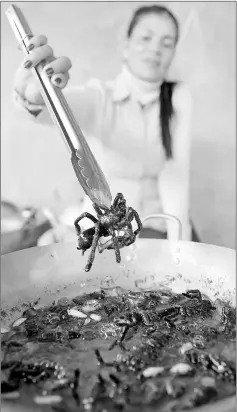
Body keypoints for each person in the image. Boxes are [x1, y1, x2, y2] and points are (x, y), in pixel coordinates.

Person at [13, 4, 200, 243]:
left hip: (156, 227)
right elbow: (61, 109)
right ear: (127, 43)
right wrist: (36, 94)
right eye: (146, 38)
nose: (155, 49)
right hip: (106, 231)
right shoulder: (101, 97)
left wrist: (178, 249)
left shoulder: (179, 98)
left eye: (166, 43)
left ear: (174, 52)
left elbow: (175, 178)